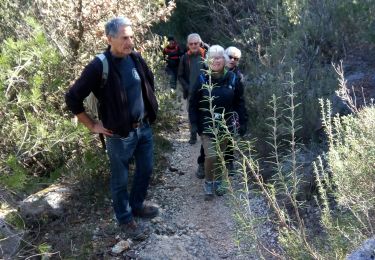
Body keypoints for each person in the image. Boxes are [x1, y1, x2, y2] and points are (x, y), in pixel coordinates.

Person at [65, 17, 159, 240]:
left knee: (145, 169)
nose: (130, 42)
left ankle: (136, 206)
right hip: (118, 135)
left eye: (132, 37)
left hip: (143, 129)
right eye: (125, 38)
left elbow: (148, 82)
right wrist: (92, 125)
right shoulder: (99, 65)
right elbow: (72, 98)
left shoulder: (135, 58)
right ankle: (125, 219)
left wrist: (149, 109)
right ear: (110, 39)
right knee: (120, 179)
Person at [189, 45, 246, 200]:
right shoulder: (202, 78)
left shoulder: (233, 78)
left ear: (224, 59)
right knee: (211, 156)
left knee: (220, 155)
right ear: (208, 60)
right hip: (207, 124)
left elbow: (239, 102)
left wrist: (243, 121)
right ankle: (208, 182)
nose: (216, 60)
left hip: (226, 124)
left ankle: (219, 181)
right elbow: (193, 102)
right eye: (212, 57)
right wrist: (193, 124)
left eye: (219, 57)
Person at [178, 33, 206, 144]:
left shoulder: (206, 56)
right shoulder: (184, 58)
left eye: (196, 43)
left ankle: (205, 135)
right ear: (187, 45)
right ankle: (193, 136)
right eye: (191, 44)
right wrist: (187, 87)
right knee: (191, 113)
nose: (194, 46)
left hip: (205, 90)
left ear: (200, 43)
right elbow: (180, 76)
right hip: (191, 92)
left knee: (205, 112)